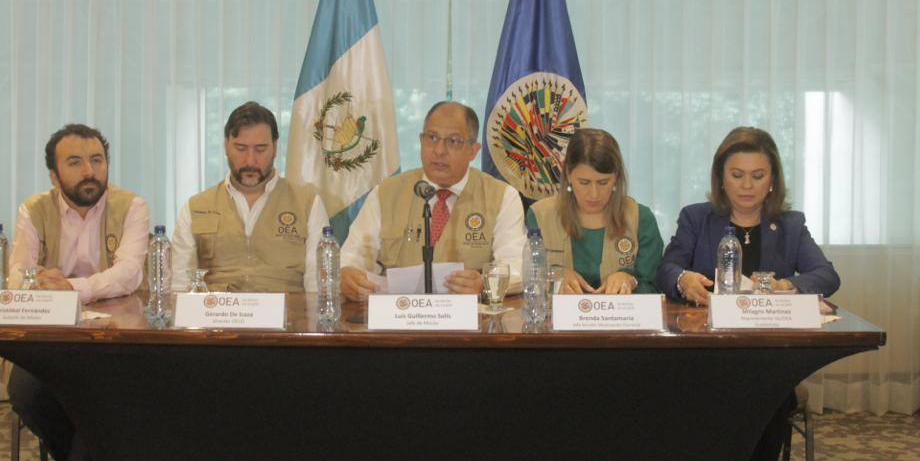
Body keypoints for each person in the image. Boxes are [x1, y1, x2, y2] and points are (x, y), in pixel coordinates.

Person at [656, 126, 840, 461]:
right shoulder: (696, 218)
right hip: (705, 354)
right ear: (721, 177)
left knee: (764, 396)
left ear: (772, 179)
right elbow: (666, 269)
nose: (746, 185)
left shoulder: (790, 225)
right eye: (737, 174)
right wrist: (683, 280)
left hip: (766, 358)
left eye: (758, 175)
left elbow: (827, 275)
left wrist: (787, 285)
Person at [7, 123, 150, 461]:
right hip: (49, 337)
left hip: (114, 338)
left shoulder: (131, 206)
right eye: (75, 162)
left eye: (97, 160)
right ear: (54, 176)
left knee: (103, 399)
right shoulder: (33, 209)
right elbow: (16, 276)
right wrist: (39, 281)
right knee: (26, 395)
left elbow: (128, 275)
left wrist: (69, 287)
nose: (90, 171)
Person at [340, 101, 525, 300]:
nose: (438, 150)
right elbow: (352, 257)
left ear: (473, 150)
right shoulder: (385, 193)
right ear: (421, 141)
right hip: (400, 321)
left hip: (471, 324)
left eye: (453, 141)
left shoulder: (502, 196)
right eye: (432, 137)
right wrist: (346, 274)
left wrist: (484, 283)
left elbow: (516, 268)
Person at [172, 101, 328, 292]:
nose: (250, 161)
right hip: (218, 317)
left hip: (287, 317)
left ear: (275, 147)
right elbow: (179, 287)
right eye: (241, 148)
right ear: (226, 145)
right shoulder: (196, 207)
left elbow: (318, 288)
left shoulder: (307, 204)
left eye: (261, 149)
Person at [526, 128, 661, 294]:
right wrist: (552, 275)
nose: (594, 194)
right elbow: (527, 281)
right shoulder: (539, 216)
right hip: (556, 318)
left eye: (603, 182)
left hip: (621, 318)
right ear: (568, 173)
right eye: (584, 182)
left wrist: (630, 280)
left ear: (617, 177)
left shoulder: (641, 219)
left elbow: (654, 285)